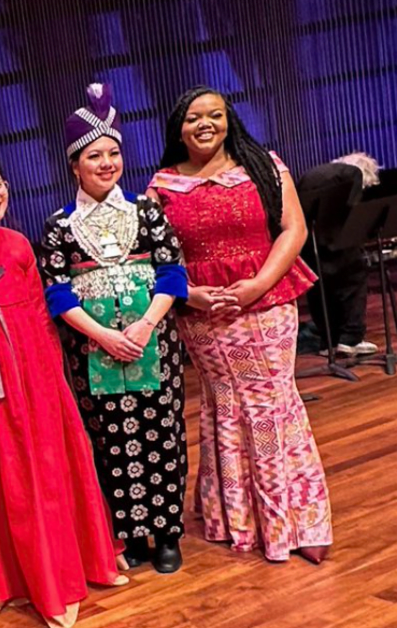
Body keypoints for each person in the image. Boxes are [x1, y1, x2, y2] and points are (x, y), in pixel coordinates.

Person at [0, 150, 126, 628]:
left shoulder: (20, 244)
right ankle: (1, 581)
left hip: (35, 375)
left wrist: (53, 384)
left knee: (47, 472)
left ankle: (64, 572)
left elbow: (43, 321)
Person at [148, 86, 333, 563]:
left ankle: (296, 520)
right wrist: (190, 294)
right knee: (226, 403)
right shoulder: (163, 186)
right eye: (193, 117)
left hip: (268, 300)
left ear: (229, 119)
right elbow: (153, 260)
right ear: (178, 128)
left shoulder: (264, 165)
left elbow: (294, 229)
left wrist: (258, 284)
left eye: (215, 115)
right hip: (204, 315)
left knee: (274, 402)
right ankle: (236, 515)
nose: (205, 124)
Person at [39, 84, 189, 574]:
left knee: (161, 433)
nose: (106, 163)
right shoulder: (60, 225)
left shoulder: (147, 212)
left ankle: (167, 533)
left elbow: (172, 273)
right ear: (74, 166)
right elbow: (58, 292)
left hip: (154, 344)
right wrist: (102, 336)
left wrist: (146, 326)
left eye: (113, 153)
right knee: (112, 442)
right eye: (94, 156)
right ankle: (128, 534)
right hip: (93, 353)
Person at [298, 152, 383, 356]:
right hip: (336, 244)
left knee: (320, 290)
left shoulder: (318, 176)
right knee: (355, 277)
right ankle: (351, 339)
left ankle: (329, 342)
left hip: (308, 246)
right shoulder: (350, 175)